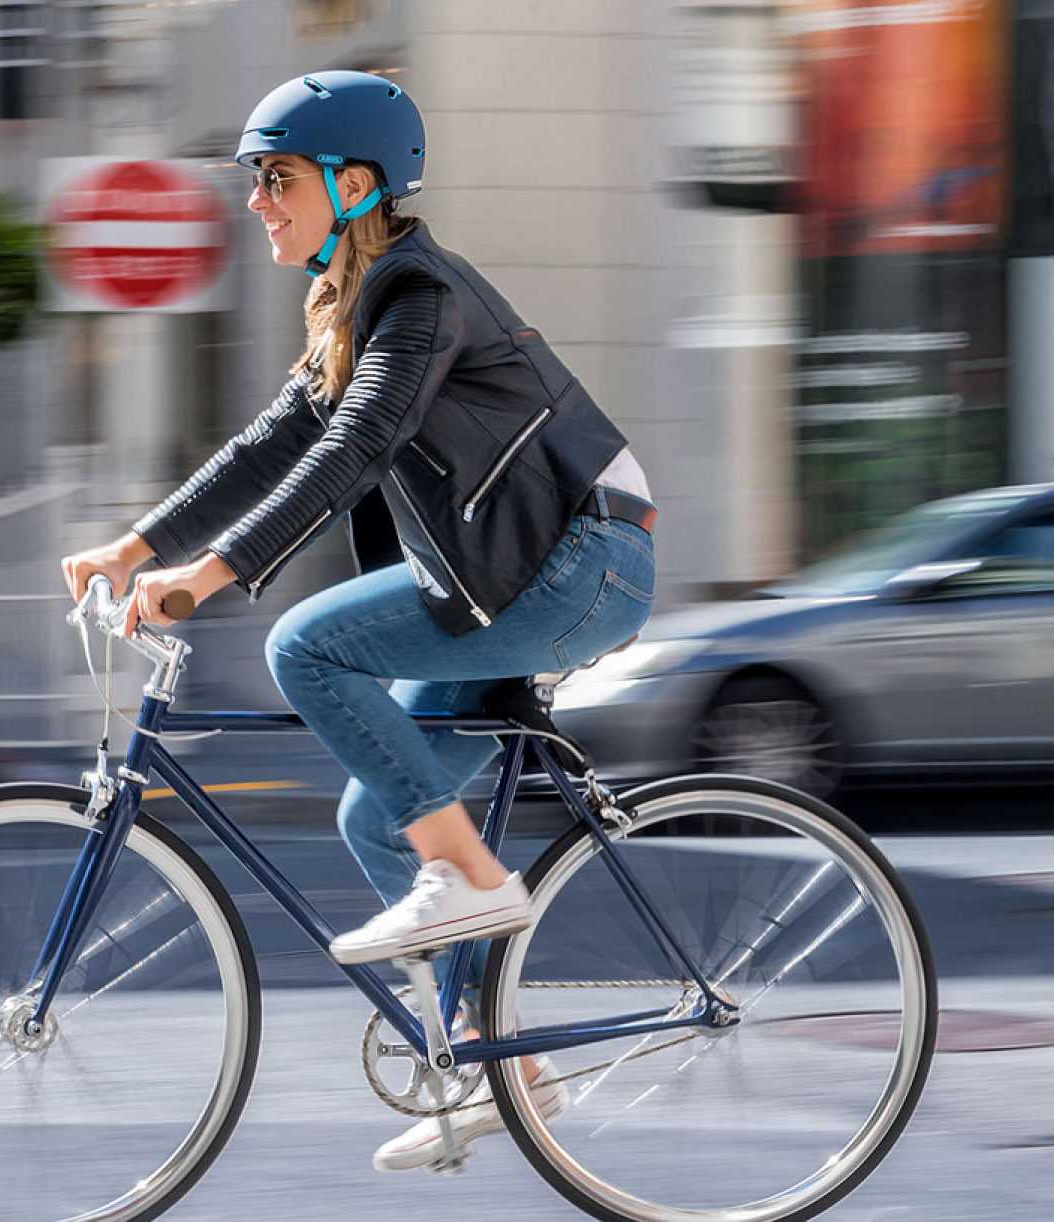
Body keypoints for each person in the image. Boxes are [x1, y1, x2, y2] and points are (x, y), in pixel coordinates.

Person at [56, 70, 657, 1173]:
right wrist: (135, 549)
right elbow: (268, 447)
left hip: (581, 565)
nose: (257, 203)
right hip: (509, 571)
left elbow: (357, 448)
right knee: (375, 819)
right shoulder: (349, 301)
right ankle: (498, 1058)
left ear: (355, 181)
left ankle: (471, 877)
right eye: (253, 181)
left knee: (304, 642)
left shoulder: (418, 294)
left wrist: (213, 574)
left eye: (277, 179)